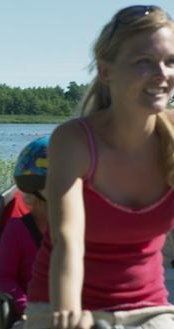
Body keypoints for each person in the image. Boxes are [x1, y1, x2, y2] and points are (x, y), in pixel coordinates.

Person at [24, 5, 174, 329]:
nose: (163, 73)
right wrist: (67, 311)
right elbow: (68, 238)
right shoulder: (74, 141)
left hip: (149, 309)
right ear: (107, 71)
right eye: (144, 61)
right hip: (62, 304)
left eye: (170, 61)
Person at [0, 136, 49, 329]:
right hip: (32, 315)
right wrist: (26, 308)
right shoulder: (17, 230)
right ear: (37, 186)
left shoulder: (77, 225)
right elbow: (4, 277)